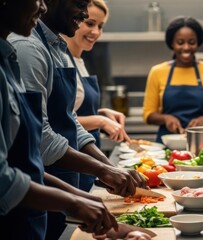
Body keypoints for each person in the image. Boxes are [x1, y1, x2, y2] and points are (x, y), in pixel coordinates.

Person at [8, 0, 146, 238]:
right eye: (80, 4)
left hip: (56, 181)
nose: (83, 14)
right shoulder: (27, 47)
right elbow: (39, 137)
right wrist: (99, 174)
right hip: (38, 192)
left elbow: (70, 120)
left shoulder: (57, 48)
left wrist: (108, 168)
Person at [63, 0, 131, 192]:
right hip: (70, 162)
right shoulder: (62, 62)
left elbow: (73, 109)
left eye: (100, 26)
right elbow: (57, 120)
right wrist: (99, 121)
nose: (96, 32)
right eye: (90, 23)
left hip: (89, 161)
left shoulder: (80, 61)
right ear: (75, 20)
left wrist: (101, 112)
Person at [142, 16, 203, 143]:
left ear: (198, 43)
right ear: (172, 43)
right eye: (180, 42)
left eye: (191, 42)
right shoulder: (157, 72)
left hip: (201, 143)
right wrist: (166, 119)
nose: (186, 48)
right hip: (166, 144)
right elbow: (148, 115)